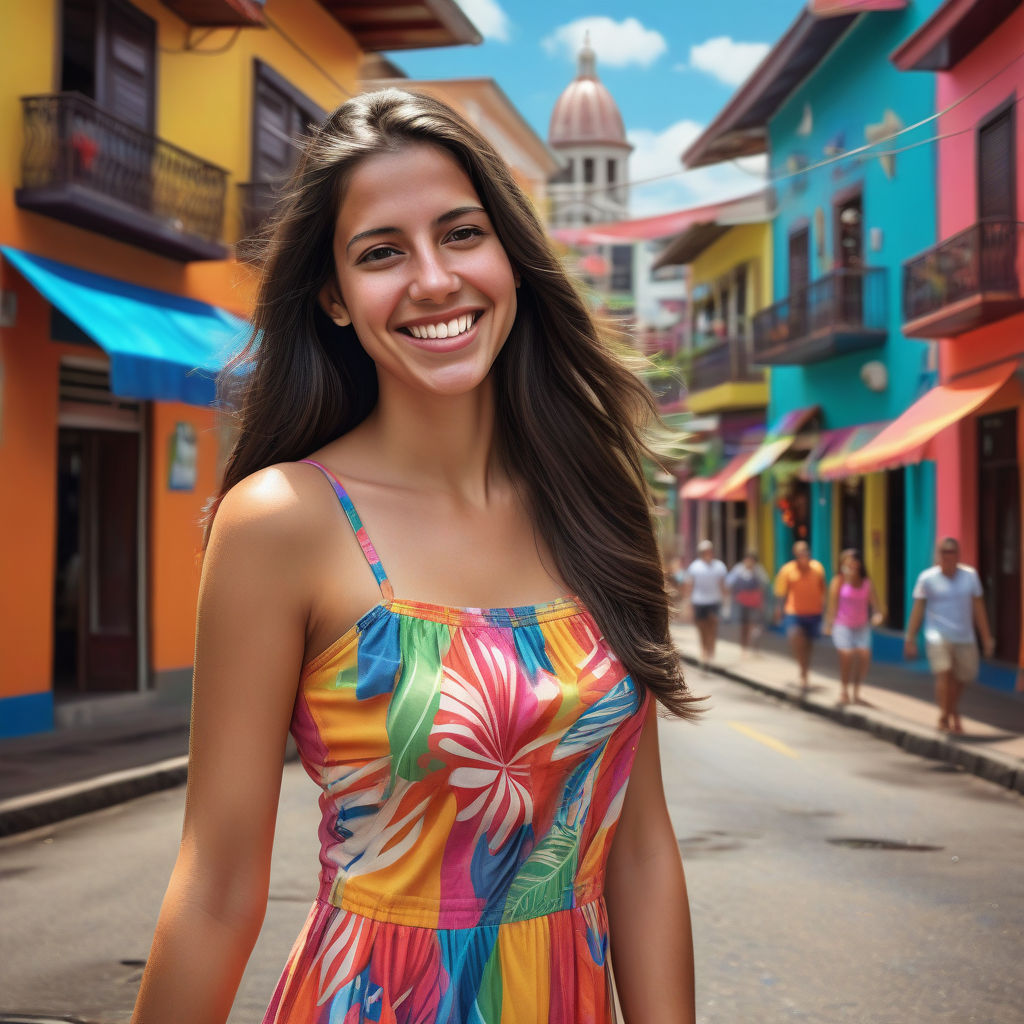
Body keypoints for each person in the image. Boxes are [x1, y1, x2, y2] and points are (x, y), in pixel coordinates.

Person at [130, 90, 699, 1024]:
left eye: (461, 233)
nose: (433, 281)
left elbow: (639, 853)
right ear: (336, 298)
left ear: (511, 257)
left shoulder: (595, 501)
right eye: (382, 252)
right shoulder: (285, 520)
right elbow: (218, 887)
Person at [904, 537, 994, 734]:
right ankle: (946, 716)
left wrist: (986, 637)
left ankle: (951, 710)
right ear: (938, 555)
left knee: (964, 676)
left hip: (964, 636)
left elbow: (979, 608)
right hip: (937, 635)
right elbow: (918, 609)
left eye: (951, 552)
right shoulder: (927, 578)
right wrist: (910, 638)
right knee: (944, 673)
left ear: (958, 555)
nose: (947, 556)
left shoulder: (970, 576)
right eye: (944, 552)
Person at [823, 548, 885, 705]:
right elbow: (832, 606)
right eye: (847, 561)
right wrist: (828, 624)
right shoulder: (838, 581)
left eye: (854, 560)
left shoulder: (866, 583)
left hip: (861, 626)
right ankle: (844, 690)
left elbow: (877, 608)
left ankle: (856, 691)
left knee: (864, 656)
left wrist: (878, 616)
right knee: (847, 656)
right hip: (842, 626)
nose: (851, 564)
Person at [773, 540, 826, 693]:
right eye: (800, 553)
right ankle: (803, 673)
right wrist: (778, 610)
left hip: (814, 612)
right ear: (795, 555)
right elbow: (781, 592)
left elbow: (823, 588)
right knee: (796, 638)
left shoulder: (817, 568)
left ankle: (805, 671)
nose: (803, 555)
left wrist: (826, 610)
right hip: (794, 612)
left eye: (805, 552)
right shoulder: (787, 570)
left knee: (808, 645)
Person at [682, 540, 729, 670]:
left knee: (712, 626)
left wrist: (726, 602)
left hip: (714, 602)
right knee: (702, 628)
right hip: (699, 602)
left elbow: (723, 585)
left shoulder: (719, 566)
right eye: (704, 552)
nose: (707, 553)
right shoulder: (695, 567)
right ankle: (704, 650)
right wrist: (688, 604)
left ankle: (711, 650)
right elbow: (689, 586)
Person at [726, 550, 769, 656]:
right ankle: (743, 647)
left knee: (754, 626)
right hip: (741, 602)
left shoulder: (758, 571)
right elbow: (729, 583)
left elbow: (765, 585)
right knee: (744, 626)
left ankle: (754, 648)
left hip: (754, 603)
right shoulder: (738, 570)